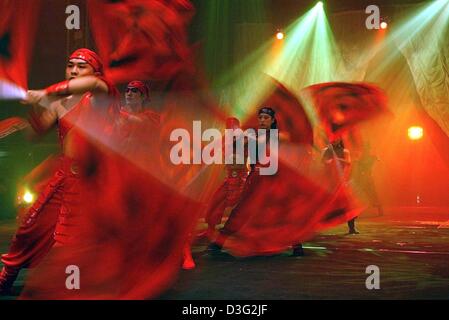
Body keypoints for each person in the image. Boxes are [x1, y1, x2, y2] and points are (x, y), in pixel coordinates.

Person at [0, 48, 119, 295]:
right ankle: (7, 277)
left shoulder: (99, 93)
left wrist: (45, 92)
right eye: (70, 65)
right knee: (28, 228)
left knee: (78, 243)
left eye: (80, 66)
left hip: (92, 181)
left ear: (94, 71)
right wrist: (23, 121)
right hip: (64, 179)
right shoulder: (58, 105)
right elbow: (34, 134)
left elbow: (91, 84)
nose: (74, 70)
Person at [199, 117, 249, 240]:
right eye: (228, 127)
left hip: (240, 178)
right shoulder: (226, 138)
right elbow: (210, 149)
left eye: (232, 126)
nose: (230, 129)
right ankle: (211, 230)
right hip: (230, 177)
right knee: (215, 203)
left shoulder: (244, 138)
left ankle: (246, 233)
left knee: (241, 206)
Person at [321, 139, 358, 234]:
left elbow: (348, 162)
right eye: (332, 140)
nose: (333, 141)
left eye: (336, 140)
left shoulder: (345, 151)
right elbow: (323, 161)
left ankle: (352, 228)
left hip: (342, 181)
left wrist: (337, 159)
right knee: (325, 205)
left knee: (348, 204)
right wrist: (329, 161)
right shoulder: (326, 151)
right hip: (330, 181)